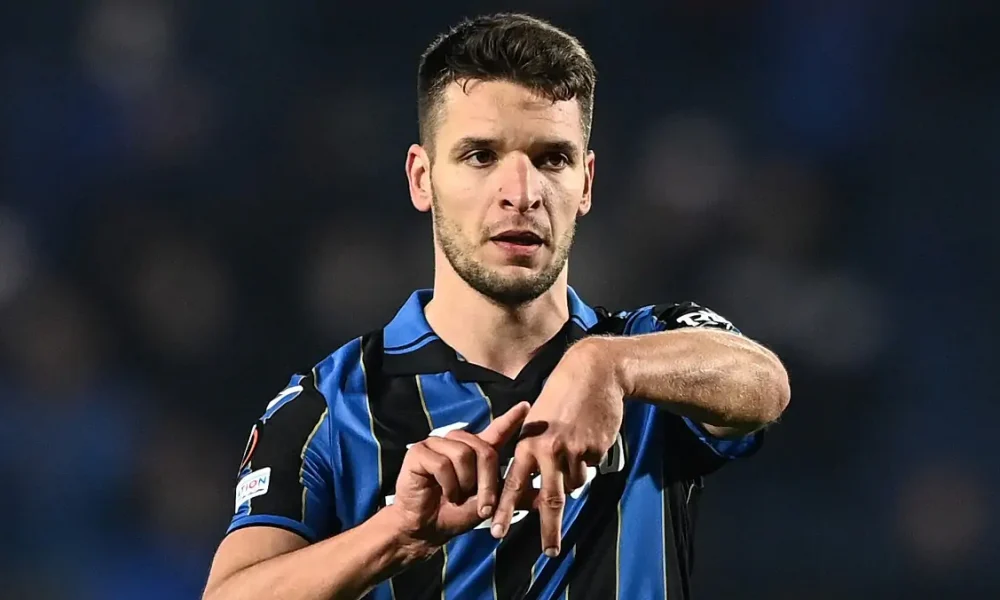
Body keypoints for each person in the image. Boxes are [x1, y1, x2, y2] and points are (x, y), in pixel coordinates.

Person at [202, 12, 790, 600]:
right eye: (481, 156)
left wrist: (608, 367)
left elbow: (764, 382)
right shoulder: (331, 407)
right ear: (422, 178)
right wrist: (393, 536)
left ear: (586, 183)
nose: (522, 193)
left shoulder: (645, 351)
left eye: (552, 159)